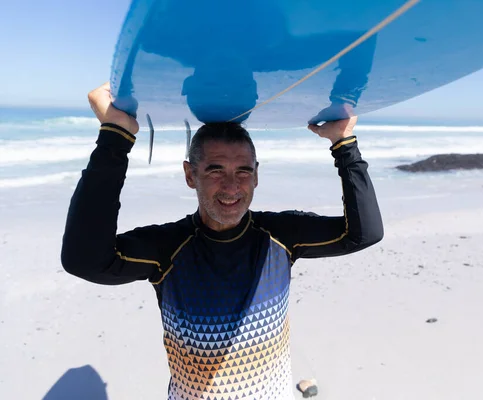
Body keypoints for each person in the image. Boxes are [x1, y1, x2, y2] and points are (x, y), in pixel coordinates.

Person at [61, 82, 384, 400]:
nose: (232, 186)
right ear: (191, 175)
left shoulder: (281, 235)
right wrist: (115, 138)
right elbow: (85, 260)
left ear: (256, 175)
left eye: (243, 171)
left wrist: (344, 144)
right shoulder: (168, 248)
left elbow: (363, 234)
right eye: (215, 171)